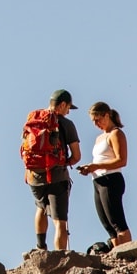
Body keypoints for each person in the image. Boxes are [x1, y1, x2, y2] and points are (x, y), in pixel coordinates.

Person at [22, 88, 81, 252]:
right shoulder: (66, 124)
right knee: (60, 220)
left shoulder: (34, 119)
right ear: (62, 105)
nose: (68, 111)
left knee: (40, 208)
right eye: (68, 107)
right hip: (57, 175)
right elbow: (77, 156)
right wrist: (63, 162)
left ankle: (40, 247)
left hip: (34, 176)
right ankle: (60, 256)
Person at [77, 101, 131, 251]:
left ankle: (129, 253)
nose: (96, 124)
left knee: (117, 221)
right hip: (97, 180)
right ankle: (117, 253)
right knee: (108, 225)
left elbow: (122, 160)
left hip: (111, 179)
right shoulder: (99, 138)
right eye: (93, 121)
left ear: (106, 115)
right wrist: (90, 168)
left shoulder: (116, 133)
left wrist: (96, 166)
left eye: (97, 119)